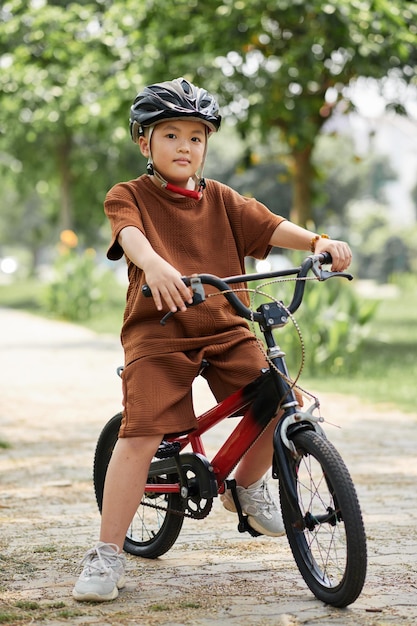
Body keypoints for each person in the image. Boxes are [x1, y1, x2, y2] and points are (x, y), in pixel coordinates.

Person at [72, 77, 352, 602]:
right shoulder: (128, 195)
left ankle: (246, 487)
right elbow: (129, 235)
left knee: (279, 397)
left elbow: (269, 226)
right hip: (159, 333)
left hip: (224, 326)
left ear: (206, 145)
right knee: (141, 432)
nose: (184, 146)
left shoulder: (221, 199)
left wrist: (319, 241)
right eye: (171, 135)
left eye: (196, 137)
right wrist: (155, 266)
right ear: (144, 142)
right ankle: (106, 555)